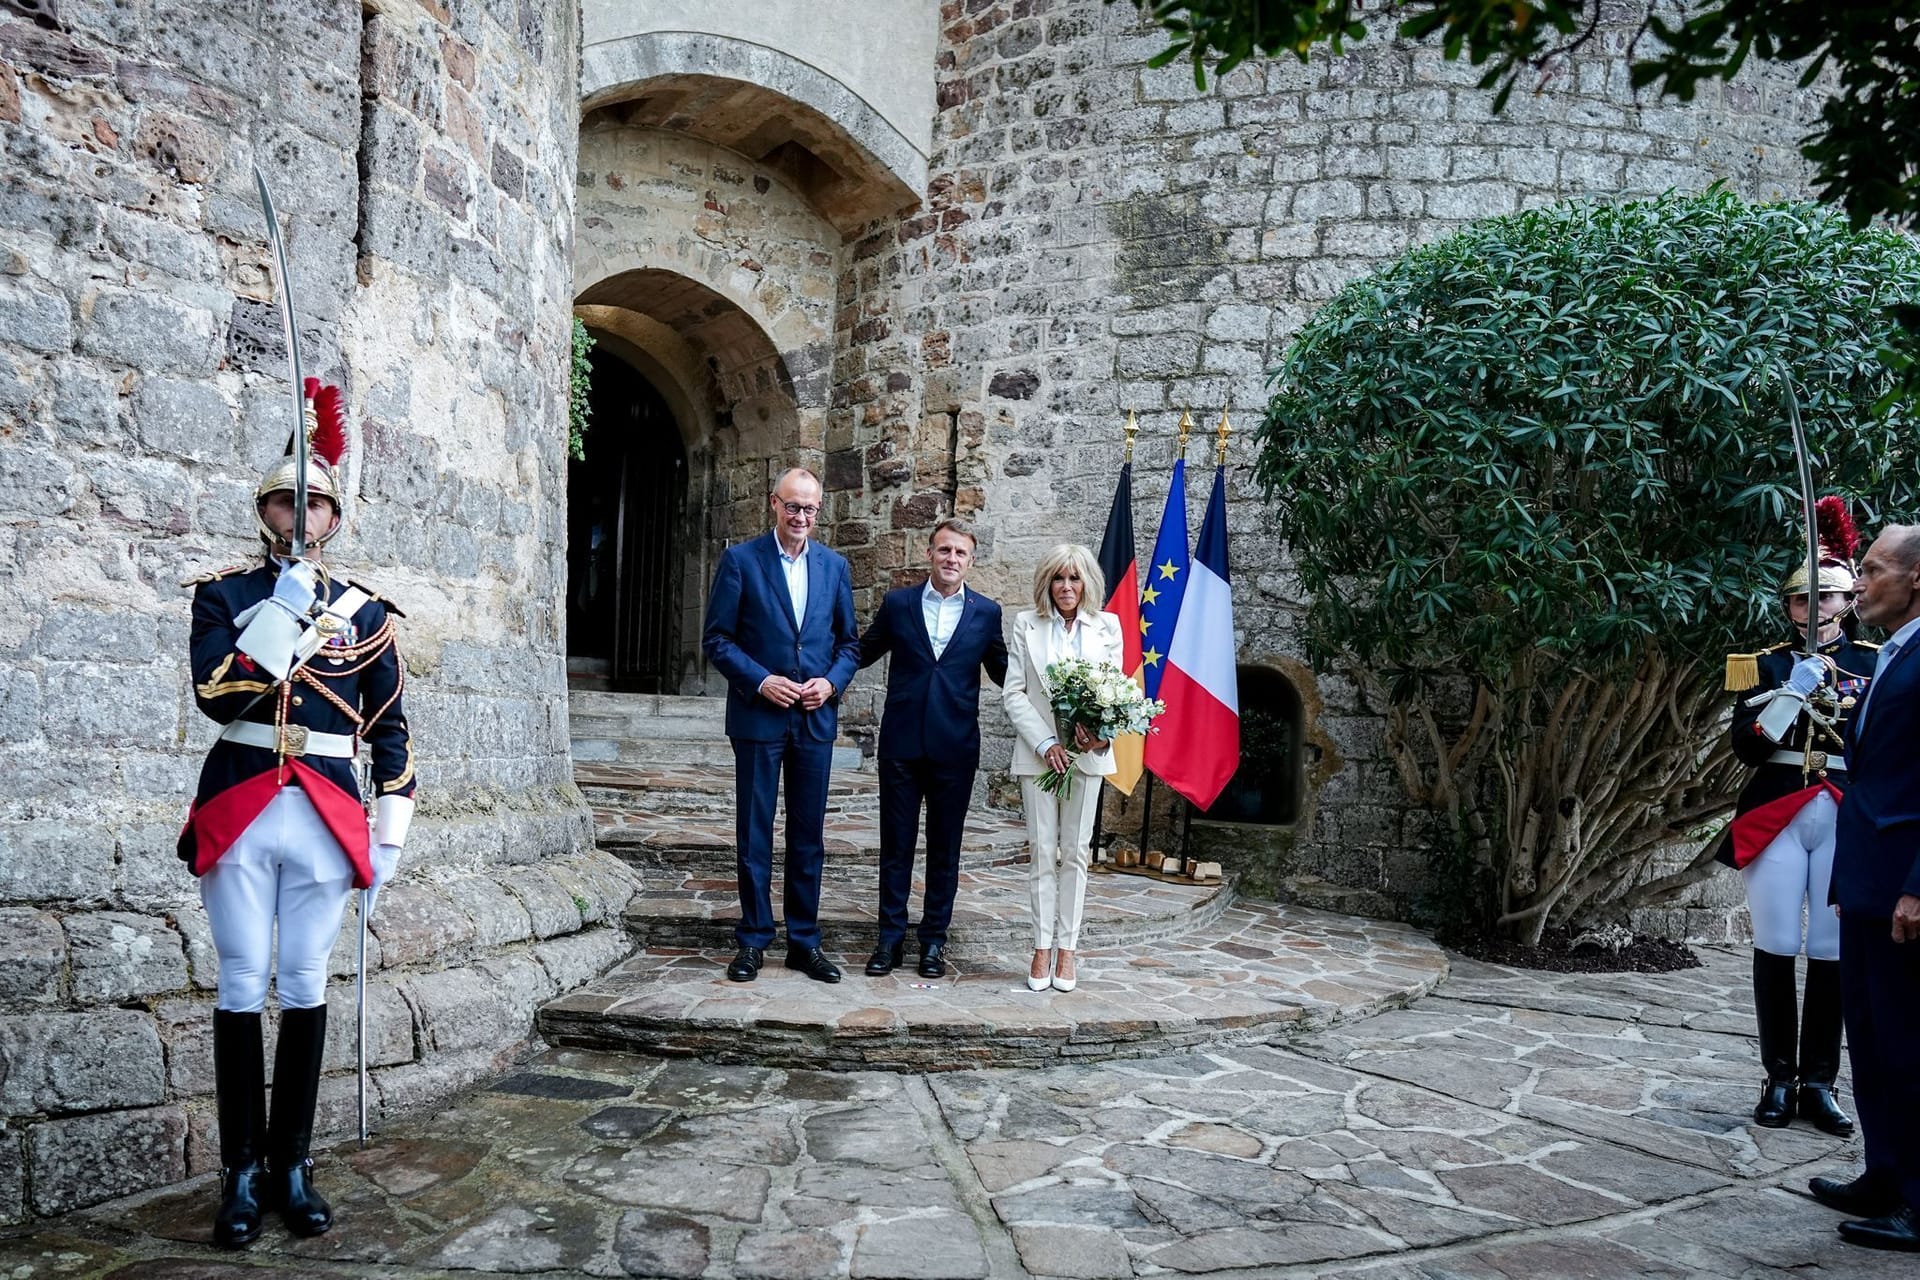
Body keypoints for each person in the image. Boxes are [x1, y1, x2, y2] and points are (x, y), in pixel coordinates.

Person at [178, 379, 414, 1247]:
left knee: (306, 984)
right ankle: (239, 1172)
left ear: (333, 518)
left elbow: (391, 732)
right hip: (241, 801)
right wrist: (277, 616)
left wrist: (389, 832)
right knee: (242, 984)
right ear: (264, 510)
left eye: (314, 503)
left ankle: (293, 1164)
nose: (299, 514)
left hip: (326, 810)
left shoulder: (369, 614)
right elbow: (214, 693)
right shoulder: (223, 597)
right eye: (286, 500)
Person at [1716, 500, 1873, 1137]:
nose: (1814, 611)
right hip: (1779, 805)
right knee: (1777, 943)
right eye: (1803, 602)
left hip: (1841, 809)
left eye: (1827, 600)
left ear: (1847, 603)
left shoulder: (1875, 661)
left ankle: (1819, 1084)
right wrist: (1791, 693)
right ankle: (1778, 1077)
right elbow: (1747, 747)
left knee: (1832, 950)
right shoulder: (1765, 663)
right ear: (1790, 608)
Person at [701, 467, 861, 984]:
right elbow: (718, 639)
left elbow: (849, 644)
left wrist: (832, 683)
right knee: (754, 830)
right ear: (774, 504)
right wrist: (761, 680)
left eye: (810, 509)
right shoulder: (741, 560)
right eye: (793, 507)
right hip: (758, 717)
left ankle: (804, 942)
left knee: (808, 835)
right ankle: (752, 940)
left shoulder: (835, 567)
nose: (801, 517)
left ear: (820, 511)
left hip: (814, 720)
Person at [1810, 523, 1920, 1252]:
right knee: (1873, 1043)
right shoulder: (1893, 654)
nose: (1859, 584)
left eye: (1873, 571)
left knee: (1911, 1047)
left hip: (1904, 893)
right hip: (1865, 883)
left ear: (1916, 580)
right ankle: (1884, 1173)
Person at [856, 519, 1008, 978]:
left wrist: (1059, 688)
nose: (951, 559)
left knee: (946, 849)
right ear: (930, 553)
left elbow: (1007, 674)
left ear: (971, 560)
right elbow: (862, 651)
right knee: (895, 846)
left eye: (961, 553)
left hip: (955, 749)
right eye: (945, 550)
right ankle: (889, 939)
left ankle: (934, 942)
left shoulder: (987, 612)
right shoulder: (898, 604)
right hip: (901, 745)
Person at [1003, 543, 1124, 993]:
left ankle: (1068, 949)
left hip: (1086, 755)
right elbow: (1014, 692)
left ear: (1087, 583)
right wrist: (1046, 741)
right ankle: (1040, 947)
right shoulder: (1025, 624)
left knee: (1075, 851)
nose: (1066, 587)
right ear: (1047, 583)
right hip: (1039, 756)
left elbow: (1115, 689)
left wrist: (1098, 734)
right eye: (1058, 578)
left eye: (1074, 578)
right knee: (1042, 850)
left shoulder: (1108, 626)